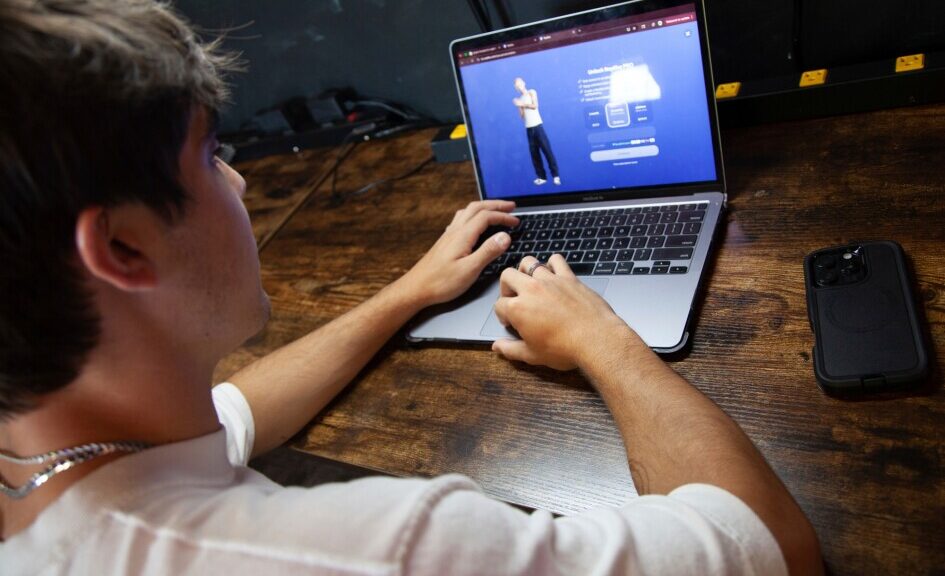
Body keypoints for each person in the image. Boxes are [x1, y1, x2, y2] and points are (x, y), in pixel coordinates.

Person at [0, 1, 823, 574]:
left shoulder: (59, 450)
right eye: (213, 156)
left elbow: (234, 413)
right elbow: (775, 548)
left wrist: (411, 290)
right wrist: (599, 336)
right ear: (122, 245)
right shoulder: (389, 548)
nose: (243, 184)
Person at [513, 77, 561, 186]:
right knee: (534, 154)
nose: (519, 86)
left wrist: (522, 104)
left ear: (524, 83)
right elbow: (522, 116)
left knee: (547, 151)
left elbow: (535, 106)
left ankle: (556, 176)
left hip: (538, 126)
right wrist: (518, 106)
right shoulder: (520, 99)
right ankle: (541, 177)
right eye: (516, 85)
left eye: (520, 83)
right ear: (516, 88)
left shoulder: (531, 92)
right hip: (529, 129)